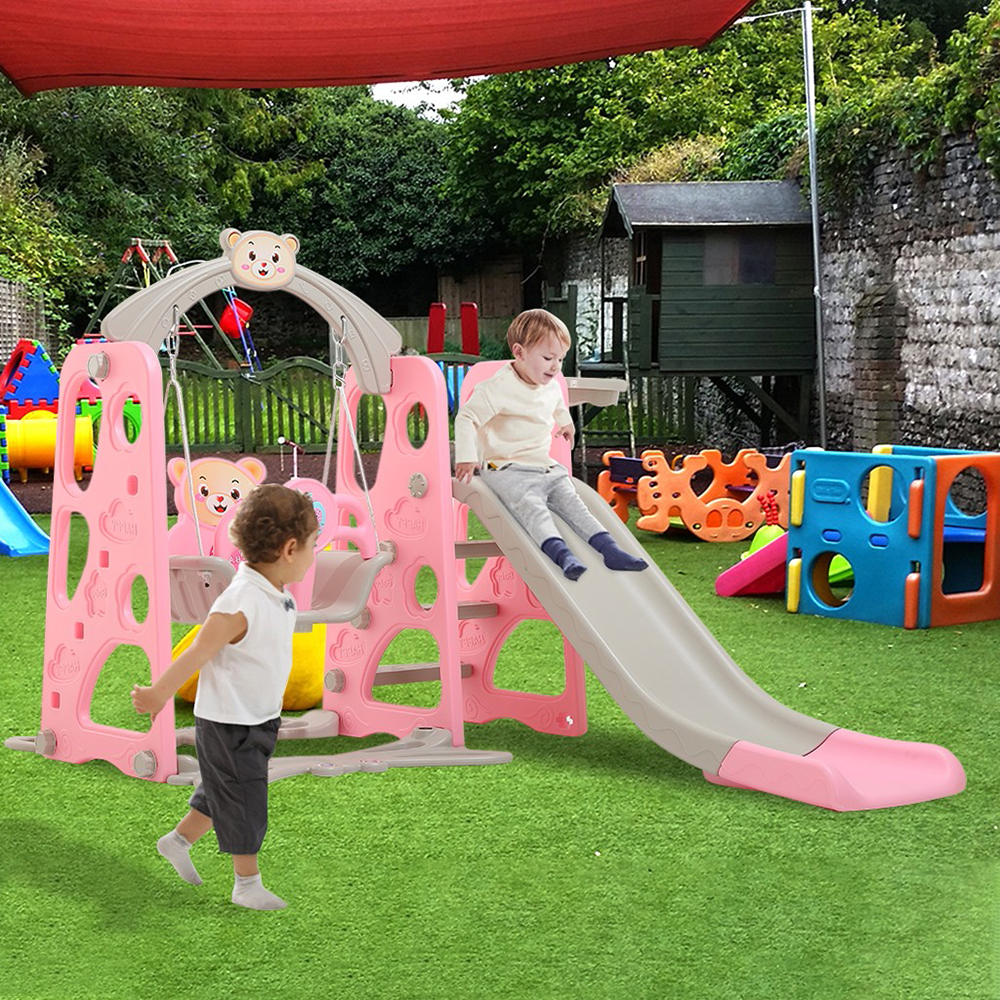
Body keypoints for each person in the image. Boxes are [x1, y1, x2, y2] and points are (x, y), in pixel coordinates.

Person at [131, 484, 319, 911]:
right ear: (290, 548)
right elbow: (198, 651)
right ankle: (246, 884)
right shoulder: (240, 602)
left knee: (224, 789)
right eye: (313, 545)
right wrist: (159, 693)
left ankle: (177, 841)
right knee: (245, 796)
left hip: (257, 716)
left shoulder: (274, 591)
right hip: (229, 722)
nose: (314, 554)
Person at [454, 308, 647, 580]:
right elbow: (467, 418)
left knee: (575, 505)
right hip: (505, 468)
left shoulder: (551, 384)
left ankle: (610, 551)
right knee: (532, 507)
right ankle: (563, 556)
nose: (556, 366)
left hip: (544, 467)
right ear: (519, 352)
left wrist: (566, 422)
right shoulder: (497, 388)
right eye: (548, 358)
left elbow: (557, 402)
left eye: (560, 358)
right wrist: (466, 456)